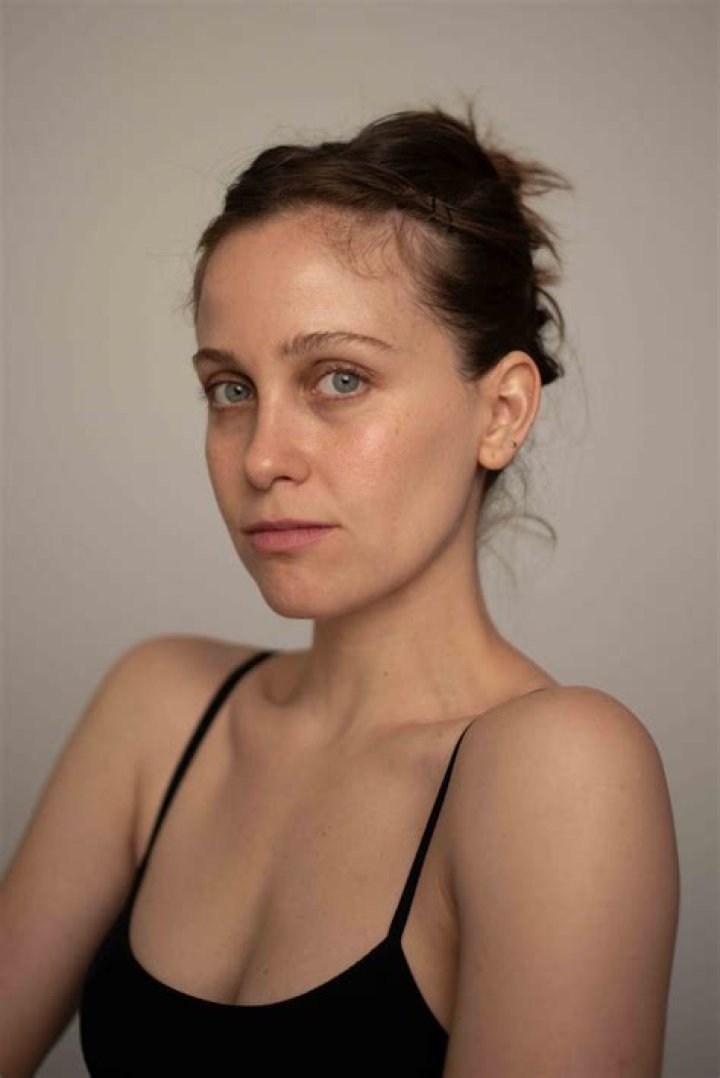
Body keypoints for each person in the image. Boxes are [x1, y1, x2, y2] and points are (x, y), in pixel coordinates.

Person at [1, 103, 679, 1077]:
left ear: (502, 411)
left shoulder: (557, 771)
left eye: (340, 379)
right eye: (231, 389)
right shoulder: (159, 711)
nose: (262, 457)